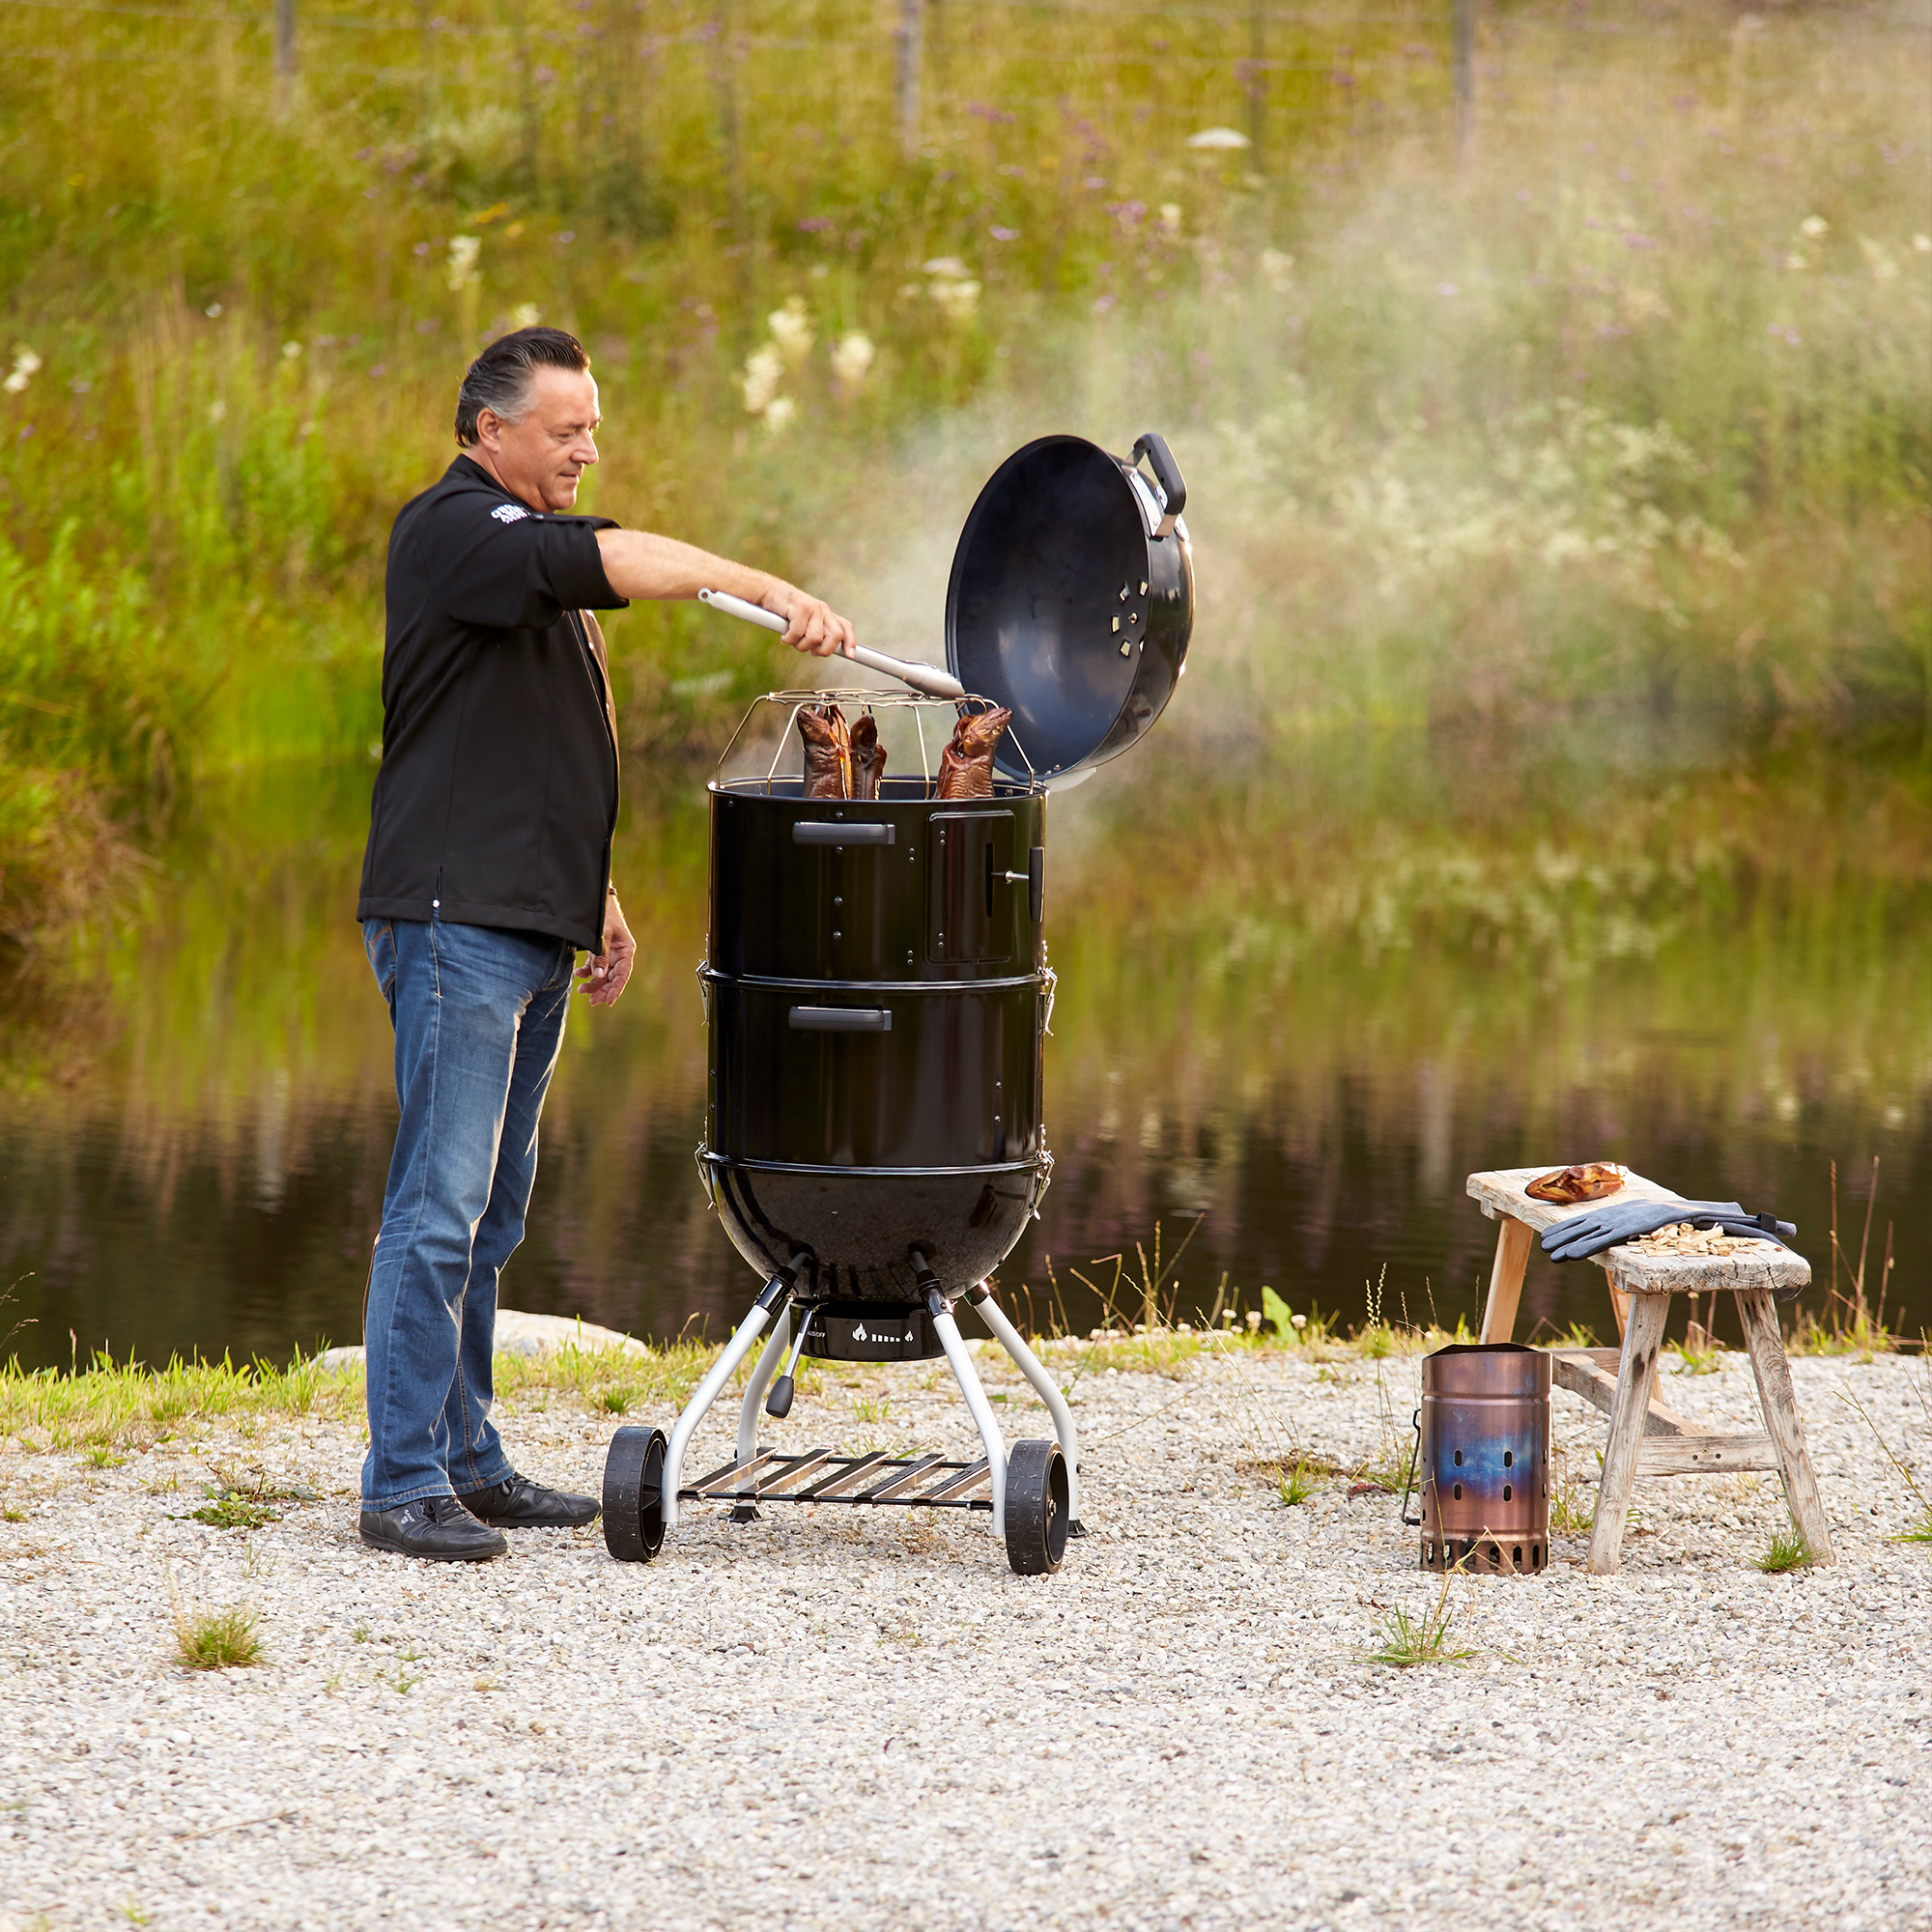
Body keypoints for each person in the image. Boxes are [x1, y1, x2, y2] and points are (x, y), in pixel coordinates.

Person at [355, 326, 855, 1562]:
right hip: (450, 921)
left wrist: (601, 891)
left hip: (529, 915)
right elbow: (617, 559)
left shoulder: (529, 568)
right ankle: (400, 1477)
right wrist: (766, 587)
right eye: (565, 427)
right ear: (489, 431)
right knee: (439, 1204)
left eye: (593, 425)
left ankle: (468, 1459)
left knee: (494, 1209)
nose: (588, 445)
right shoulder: (456, 531)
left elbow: (538, 742)